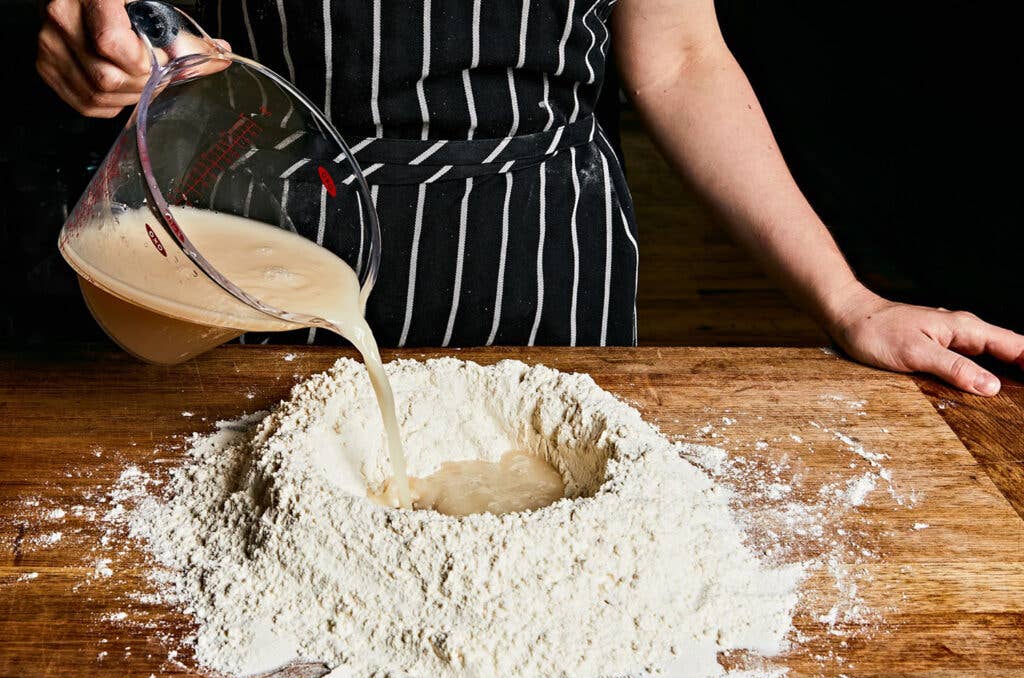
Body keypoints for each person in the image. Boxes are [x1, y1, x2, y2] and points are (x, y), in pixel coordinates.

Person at [36, 0, 1024, 395]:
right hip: (265, 254)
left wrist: (847, 300)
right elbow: (147, 16)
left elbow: (678, 60)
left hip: (532, 265)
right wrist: (121, 34)